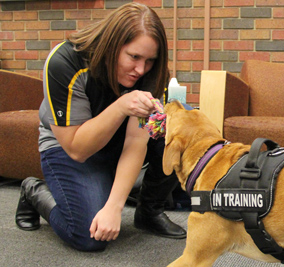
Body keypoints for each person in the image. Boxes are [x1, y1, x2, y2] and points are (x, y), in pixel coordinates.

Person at [15, 3, 186, 251]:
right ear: (112, 45)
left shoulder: (151, 73)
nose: (141, 69)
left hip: (116, 142)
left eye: (150, 60)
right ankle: (34, 191)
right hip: (69, 146)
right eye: (134, 57)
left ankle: (149, 211)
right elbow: (77, 149)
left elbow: (135, 141)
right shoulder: (65, 62)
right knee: (89, 236)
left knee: (177, 130)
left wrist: (114, 207)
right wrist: (121, 107)